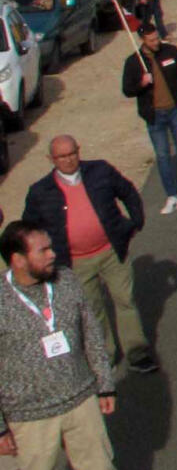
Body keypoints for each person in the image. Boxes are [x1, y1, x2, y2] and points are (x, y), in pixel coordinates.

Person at [0, 220, 123, 470]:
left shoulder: (66, 281)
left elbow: (92, 335)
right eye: (43, 250)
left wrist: (105, 384)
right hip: (29, 415)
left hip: (81, 399)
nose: (53, 254)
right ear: (18, 259)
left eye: (51, 247)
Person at [22, 138, 155, 375]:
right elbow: (29, 230)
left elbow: (128, 192)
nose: (69, 159)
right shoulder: (40, 192)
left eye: (73, 153)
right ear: (51, 160)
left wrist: (135, 222)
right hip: (75, 262)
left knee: (125, 300)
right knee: (93, 310)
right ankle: (105, 356)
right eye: (62, 156)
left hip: (112, 251)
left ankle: (137, 352)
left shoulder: (100, 171)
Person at [118, 21, 177, 213]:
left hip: (175, 110)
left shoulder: (171, 52)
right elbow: (127, 90)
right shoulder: (133, 62)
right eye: (152, 40)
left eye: (157, 37)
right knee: (163, 156)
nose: (156, 42)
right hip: (154, 115)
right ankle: (172, 196)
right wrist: (141, 83)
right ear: (143, 40)